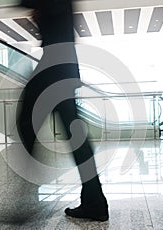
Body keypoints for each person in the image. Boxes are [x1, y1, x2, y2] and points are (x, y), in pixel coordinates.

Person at [16, 0, 108, 221]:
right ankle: (94, 201)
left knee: (28, 124)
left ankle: (26, 203)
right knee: (73, 135)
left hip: (54, 66)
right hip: (60, 65)